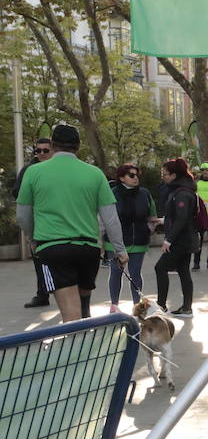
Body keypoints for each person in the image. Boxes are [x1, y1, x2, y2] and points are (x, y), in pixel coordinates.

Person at [16, 124, 128, 322]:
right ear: (79, 145)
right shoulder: (95, 174)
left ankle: (77, 348)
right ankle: (86, 338)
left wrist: (33, 238)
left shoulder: (33, 172)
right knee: (83, 306)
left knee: (70, 314)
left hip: (52, 247)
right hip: (88, 249)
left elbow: (23, 215)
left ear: (52, 144)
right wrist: (120, 250)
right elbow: (110, 217)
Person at [105, 164, 156, 312]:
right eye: (131, 175)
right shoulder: (112, 193)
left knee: (135, 273)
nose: (136, 178)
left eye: (137, 175)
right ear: (121, 178)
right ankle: (114, 304)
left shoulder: (144, 193)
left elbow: (151, 214)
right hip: (115, 242)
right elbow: (105, 217)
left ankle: (138, 305)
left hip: (139, 240)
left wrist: (149, 228)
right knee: (116, 272)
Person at [11, 137, 53, 308]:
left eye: (45, 150)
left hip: (60, 222)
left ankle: (65, 294)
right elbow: (18, 194)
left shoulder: (58, 169)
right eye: (38, 150)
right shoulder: (28, 170)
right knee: (40, 260)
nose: (41, 153)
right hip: (38, 222)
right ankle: (43, 294)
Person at [155, 158, 198, 317]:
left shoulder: (182, 193)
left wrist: (168, 240)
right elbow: (179, 217)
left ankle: (161, 306)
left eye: (165, 174)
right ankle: (186, 308)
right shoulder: (183, 190)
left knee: (160, 267)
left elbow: (182, 218)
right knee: (183, 271)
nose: (163, 177)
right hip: (186, 238)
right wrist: (163, 221)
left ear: (174, 175)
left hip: (181, 240)